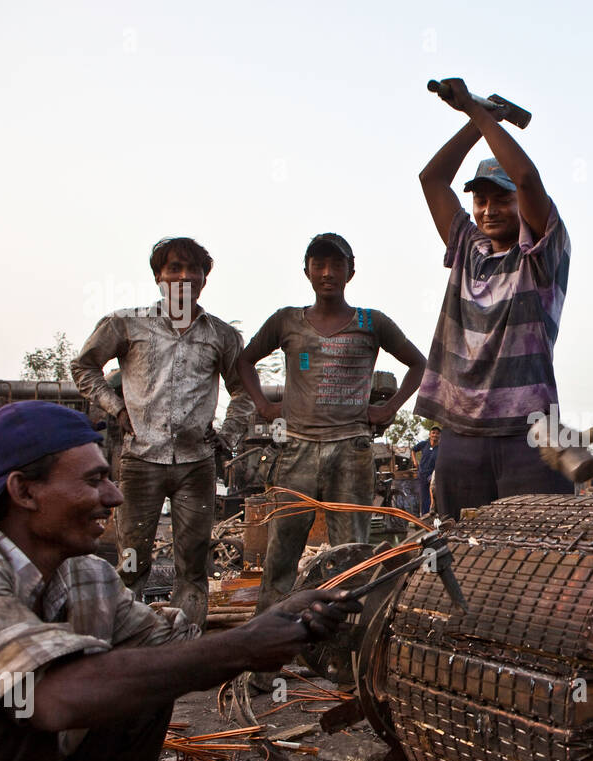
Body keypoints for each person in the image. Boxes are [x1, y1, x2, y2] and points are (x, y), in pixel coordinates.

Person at [0, 401, 358, 761]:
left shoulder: (87, 575)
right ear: (24, 491)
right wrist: (248, 645)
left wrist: (283, 617)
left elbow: (176, 654)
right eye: (94, 480)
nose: (114, 496)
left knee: (144, 689)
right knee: (9, 707)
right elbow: (52, 697)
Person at [237, 233, 426, 613]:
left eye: (336, 265)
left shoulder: (371, 322)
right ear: (306, 271)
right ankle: (269, 635)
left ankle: (346, 638)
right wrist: (264, 405)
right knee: (281, 551)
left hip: (351, 449)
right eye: (319, 264)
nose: (327, 273)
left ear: (350, 272)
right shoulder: (286, 320)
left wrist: (389, 408)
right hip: (296, 448)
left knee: (351, 555)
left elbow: (418, 362)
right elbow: (244, 360)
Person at [72, 237, 254, 626]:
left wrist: (228, 435)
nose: (184, 276)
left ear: (204, 279)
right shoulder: (127, 323)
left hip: (197, 465)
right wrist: (116, 408)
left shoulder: (221, 335)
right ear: (159, 276)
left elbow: (244, 392)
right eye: (174, 268)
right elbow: (83, 367)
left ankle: (184, 640)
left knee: (193, 564)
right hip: (141, 460)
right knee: (131, 561)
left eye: (193, 269)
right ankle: (125, 636)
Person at [415, 77, 574, 517]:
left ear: (522, 203)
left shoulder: (541, 252)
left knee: (536, 547)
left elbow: (526, 177)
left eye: (501, 199)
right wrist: (479, 119)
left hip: (528, 432)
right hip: (461, 432)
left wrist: (478, 112)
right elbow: (431, 179)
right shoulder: (468, 248)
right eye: (480, 200)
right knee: (463, 546)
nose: (488, 210)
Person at [412, 425, 441, 515]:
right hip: (422, 473)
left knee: (433, 493)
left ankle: (433, 513)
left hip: (433, 474)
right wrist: (415, 461)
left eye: (437, 433)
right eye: (433, 433)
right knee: (424, 496)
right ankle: (425, 515)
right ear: (429, 434)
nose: (435, 435)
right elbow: (413, 450)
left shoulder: (441, 448)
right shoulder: (424, 444)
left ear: (440, 435)